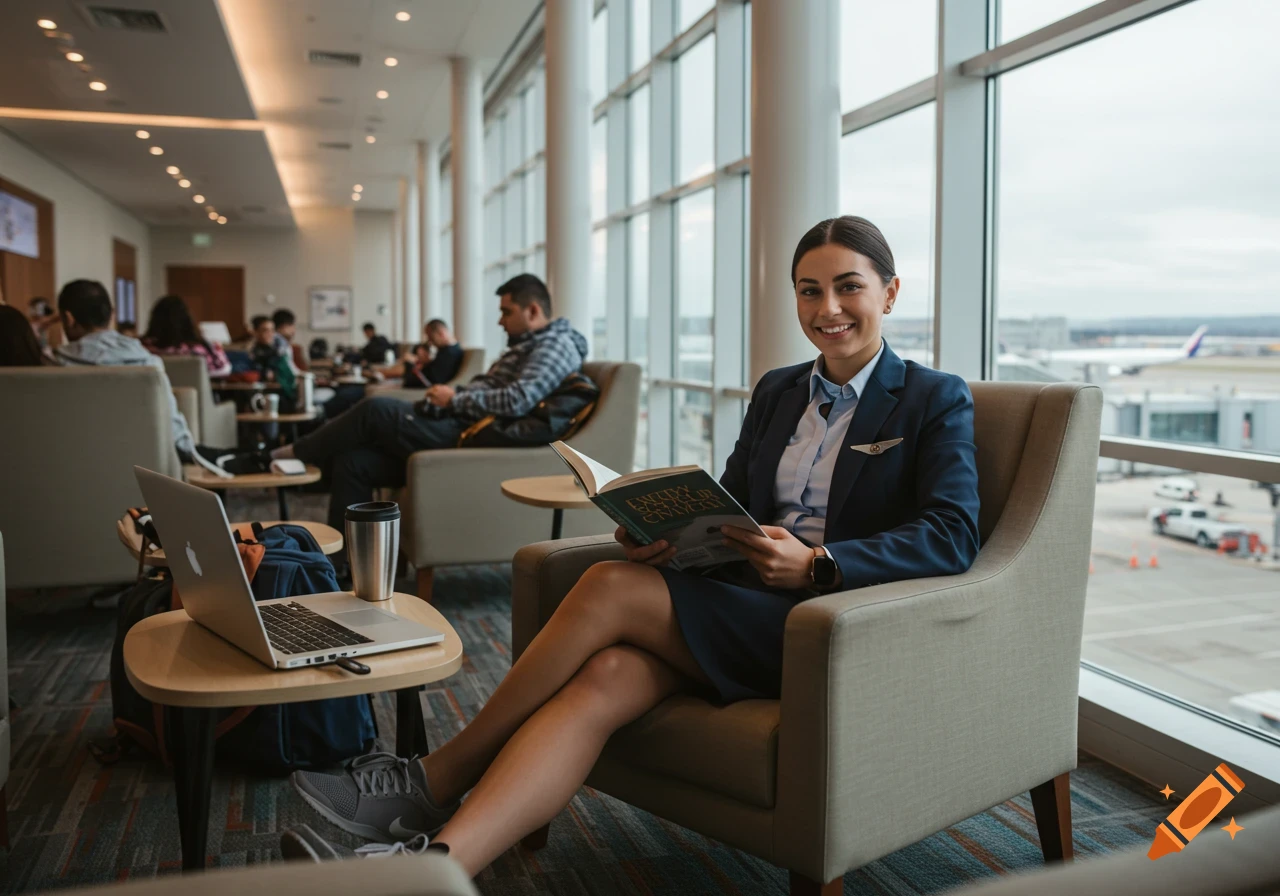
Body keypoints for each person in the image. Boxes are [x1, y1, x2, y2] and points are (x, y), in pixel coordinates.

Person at [279, 218, 982, 876]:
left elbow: (952, 532)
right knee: (607, 676)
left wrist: (820, 563)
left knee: (611, 587)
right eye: (810, 289)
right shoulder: (777, 393)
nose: (828, 306)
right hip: (742, 600)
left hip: (829, 626)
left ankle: (434, 778)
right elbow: (732, 497)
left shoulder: (931, 398)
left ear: (889, 292)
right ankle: (431, 871)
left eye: (848, 286)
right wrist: (667, 532)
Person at [272, 274, 588, 539]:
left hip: (467, 433)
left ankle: (285, 457)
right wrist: (454, 395)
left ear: (532, 311)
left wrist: (455, 399)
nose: (500, 321)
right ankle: (346, 565)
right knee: (352, 462)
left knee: (376, 409)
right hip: (459, 422)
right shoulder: (529, 346)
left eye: (506, 312)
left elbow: (517, 400)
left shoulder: (554, 345)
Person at [52, 280, 204, 463]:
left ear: (68, 319)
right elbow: (174, 431)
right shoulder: (148, 363)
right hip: (146, 470)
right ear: (112, 315)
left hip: (73, 465)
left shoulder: (52, 366)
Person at [142, 294, 232, 376]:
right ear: (188, 321)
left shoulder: (142, 349)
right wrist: (218, 351)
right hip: (198, 392)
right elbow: (223, 369)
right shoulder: (198, 349)